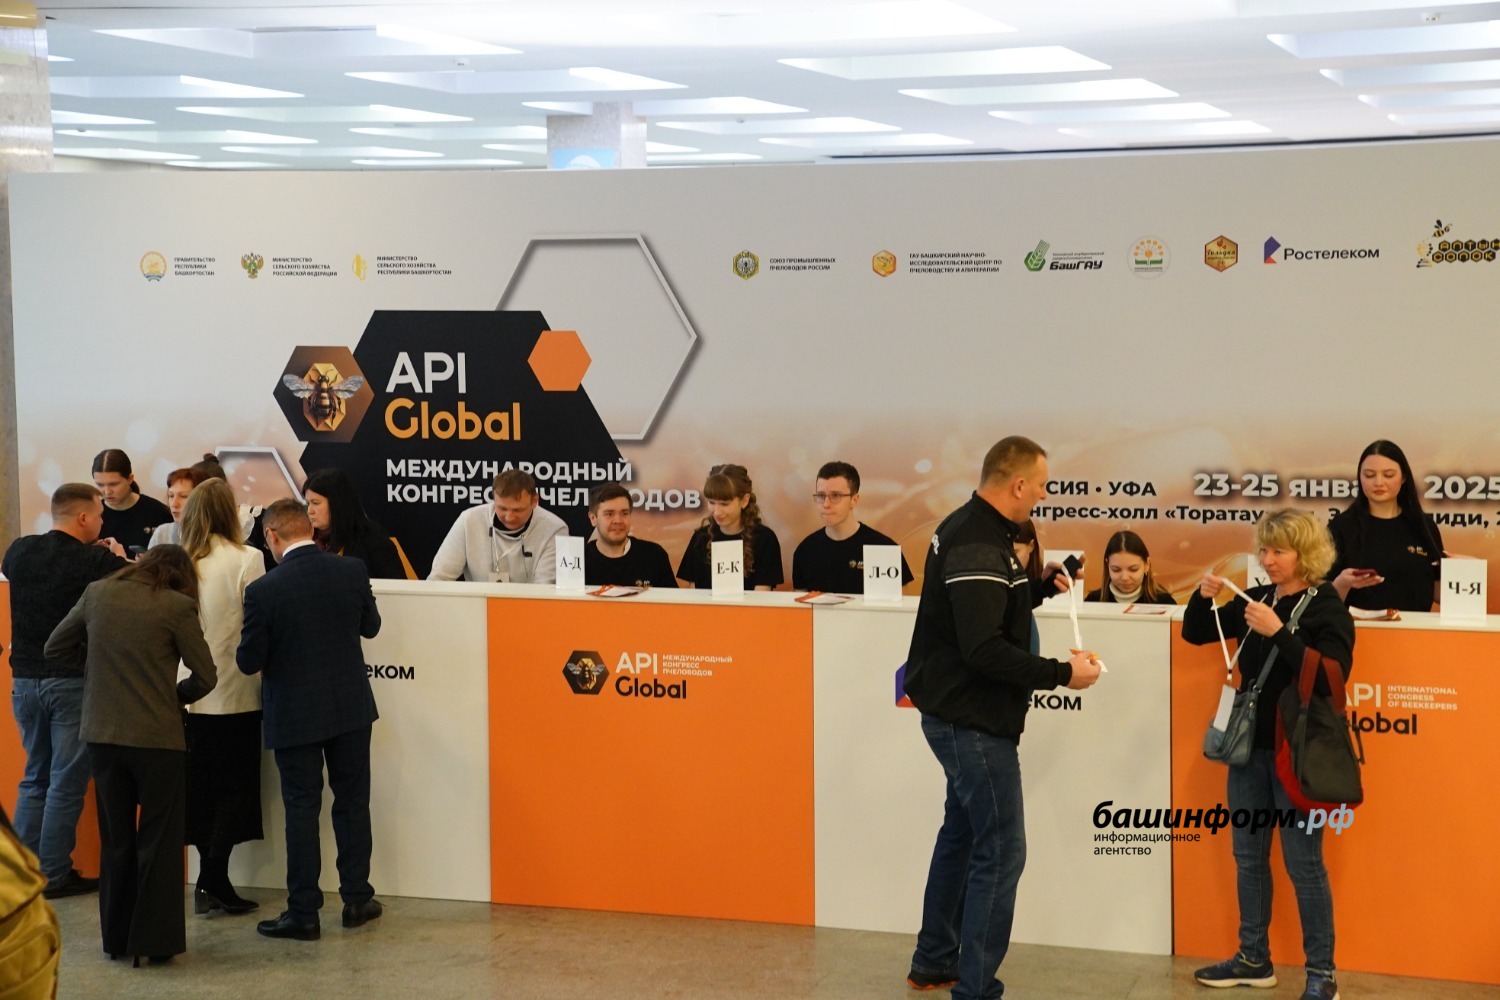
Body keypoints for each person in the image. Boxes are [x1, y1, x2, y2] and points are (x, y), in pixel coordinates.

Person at [902, 437, 1100, 999]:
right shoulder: (977, 543)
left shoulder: (977, 531)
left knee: (962, 834)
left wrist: (1037, 588)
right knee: (1001, 850)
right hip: (972, 721)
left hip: (962, 714)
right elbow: (983, 649)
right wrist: (1062, 673)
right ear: (1017, 485)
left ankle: (934, 960)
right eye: (1040, 486)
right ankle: (975, 988)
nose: (1042, 495)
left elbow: (983, 613)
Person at [1181, 508, 1353, 1000]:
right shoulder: (1257, 597)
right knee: (1249, 858)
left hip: (1297, 757)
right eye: (1264, 550)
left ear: (1306, 554)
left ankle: (1322, 974)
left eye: (1279, 551)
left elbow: (1332, 679)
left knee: (1304, 865)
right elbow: (1196, 631)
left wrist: (1280, 633)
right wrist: (1201, 596)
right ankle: (1253, 958)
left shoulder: (1326, 606)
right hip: (1248, 752)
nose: (1268, 559)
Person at [45, 546, 218, 964]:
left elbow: (55, 647)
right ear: (180, 576)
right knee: (159, 842)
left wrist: (98, 670)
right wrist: (175, 696)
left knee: (116, 840)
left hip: (103, 737)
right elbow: (206, 676)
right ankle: (154, 943)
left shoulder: (98, 592)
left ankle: (117, 940)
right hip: (157, 738)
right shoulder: (176, 606)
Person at [237, 499, 383, 941]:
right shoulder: (352, 570)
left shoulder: (264, 590)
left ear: (271, 536)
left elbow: (248, 661)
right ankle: (357, 898)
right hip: (349, 706)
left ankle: (303, 912)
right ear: (310, 530)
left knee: (301, 809)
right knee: (352, 801)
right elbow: (371, 626)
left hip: (294, 712)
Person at [2, 483, 127, 899]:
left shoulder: (19, 550)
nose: (103, 522)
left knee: (34, 778)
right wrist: (118, 556)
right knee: (65, 783)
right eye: (100, 515)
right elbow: (132, 583)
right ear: (84, 517)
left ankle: (20, 876)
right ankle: (54, 873)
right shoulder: (95, 560)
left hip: (23, 681)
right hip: (71, 681)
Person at [179, 479, 268, 917]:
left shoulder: (179, 560)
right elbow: (258, 622)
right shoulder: (248, 558)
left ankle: (209, 878)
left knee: (200, 791)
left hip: (187, 694)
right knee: (234, 789)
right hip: (234, 691)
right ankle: (214, 878)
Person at [1327, 439, 1443, 612]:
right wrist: (1342, 583)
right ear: (1359, 477)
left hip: (1415, 626)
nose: (1378, 482)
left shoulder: (1423, 526)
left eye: (1388, 475)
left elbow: (1437, 589)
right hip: (1357, 626)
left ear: (1403, 477)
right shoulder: (1341, 527)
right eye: (1369, 475)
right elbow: (1321, 600)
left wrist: (1468, 574)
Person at [791, 460, 913, 594]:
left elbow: (901, 604)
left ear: (854, 500)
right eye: (821, 496)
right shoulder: (805, 551)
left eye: (835, 496)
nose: (826, 504)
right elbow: (799, 604)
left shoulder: (883, 549)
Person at [427, 470, 568, 584]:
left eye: (518, 510)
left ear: (535, 501)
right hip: (477, 607)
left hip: (532, 608)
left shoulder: (554, 529)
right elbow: (439, 579)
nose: (509, 517)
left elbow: (545, 590)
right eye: (502, 508)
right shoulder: (469, 520)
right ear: (493, 499)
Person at [676, 464, 784, 591]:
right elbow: (693, 592)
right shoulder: (700, 538)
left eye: (724, 504)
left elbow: (762, 595)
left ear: (744, 501)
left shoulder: (764, 539)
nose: (717, 512)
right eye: (712, 502)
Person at [303, 467, 406, 580]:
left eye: (315, 503)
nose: (310, 511)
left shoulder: (374, 540)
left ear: (337, 504)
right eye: (308, 504)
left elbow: (398, 587)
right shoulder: (306, 540)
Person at [583, 484, 678, 589]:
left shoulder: (654, 555)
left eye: (624, 513)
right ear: (593, 518)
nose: (618, 520)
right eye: (609, 514)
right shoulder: (580, 560)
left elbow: (672, 599)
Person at [92, 449, 172, 557]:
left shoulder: (158, 512)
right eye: (100, 485)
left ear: (130, 479)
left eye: (114, 484)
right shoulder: (91, 516)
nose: (107, 492)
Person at [1084, 530, 1177, 605]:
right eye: (1116, 570)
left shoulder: (1165, 603)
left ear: (1147, 565)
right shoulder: (1093, 601)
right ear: (1107, 565)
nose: (1125, 578)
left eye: (1133, 569)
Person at [146, 467, 210, 549]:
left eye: (183, 496)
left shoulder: (216, 539)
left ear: (203, 499)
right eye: (171, 496)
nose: (174, 504)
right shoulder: (162, 532)